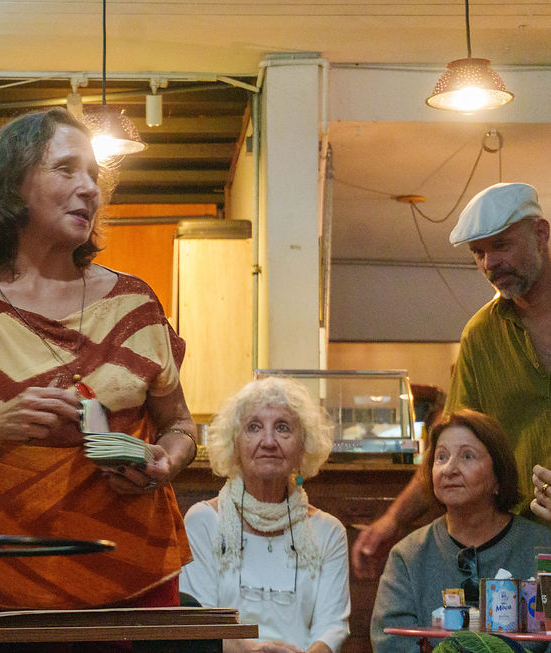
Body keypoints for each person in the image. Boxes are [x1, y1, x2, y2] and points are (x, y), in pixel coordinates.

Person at [0, 108, 198, 625]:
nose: (89, 189)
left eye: (95, 177)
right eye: (65, 169)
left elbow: (181, 426)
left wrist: (165, 463)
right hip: (2, 594)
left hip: (134, 586)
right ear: (13, 186)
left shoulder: (135, 302)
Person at [352, 182, 551, 579]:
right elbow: (453, 444)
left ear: (541, 235)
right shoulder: (481, 335)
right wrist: (392, 523)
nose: (490, 263)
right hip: (516, 553)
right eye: (479, 252)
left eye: (502, 245)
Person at [179, 376, 349, 653]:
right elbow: (201, 625)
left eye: (283, 428)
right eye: (254, 428)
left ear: (304, 445)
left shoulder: (328, 531)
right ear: (235, 443)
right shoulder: (203, 522)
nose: (268, 441)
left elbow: (332, 628)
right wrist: (253, 652)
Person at [370, 409, 549, 652]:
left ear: (498, 476)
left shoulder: (542, 547)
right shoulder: (408, 555)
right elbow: (390, 643)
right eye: (441, 457)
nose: (449, 469)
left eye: (467, 456)